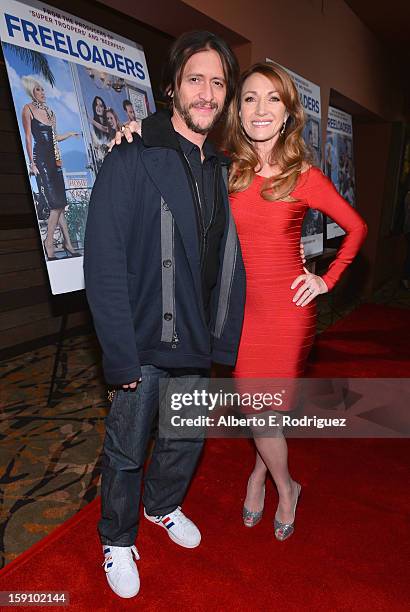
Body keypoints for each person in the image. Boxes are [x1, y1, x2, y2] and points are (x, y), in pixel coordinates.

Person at [83, 31, 245, 599]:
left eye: (217, 83)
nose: (206, 92)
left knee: (184, 439)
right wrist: (120, 353)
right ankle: (117, 536)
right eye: (195, 79)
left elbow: (229, 260)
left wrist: (223, 340)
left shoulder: (223, 170)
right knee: (127, 450)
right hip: (143, 340)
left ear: (225, 98)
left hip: (196, 340)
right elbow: (102, 265)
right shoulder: (130, 157)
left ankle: (163, 507)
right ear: (172, 87)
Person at [224, 62, 367, 539]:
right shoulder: (229, 167)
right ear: (238, 110)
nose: (260, 108)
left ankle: (281, 486)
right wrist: (138, 128)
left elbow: (357, 227)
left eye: (273, 99)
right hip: (242, 311)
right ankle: (273, 475)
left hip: (288, 309)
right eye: (249, 98)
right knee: (256, 406)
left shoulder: (303, 175)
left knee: (266, 409)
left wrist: (328, 280)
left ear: (287, 113)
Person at [21, 76, 81, 260]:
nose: (42, 92)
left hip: (55, 161)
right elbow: (29, 138)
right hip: (41, 161)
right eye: (39, 89)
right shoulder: (27, 109)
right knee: (56, 205)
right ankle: (49, 242)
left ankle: (68, 243)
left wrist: (69, 134)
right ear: (32, 91)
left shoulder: (50, 112)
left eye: (43, 89)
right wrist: (31, 163)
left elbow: (54, 138)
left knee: (60, 204)